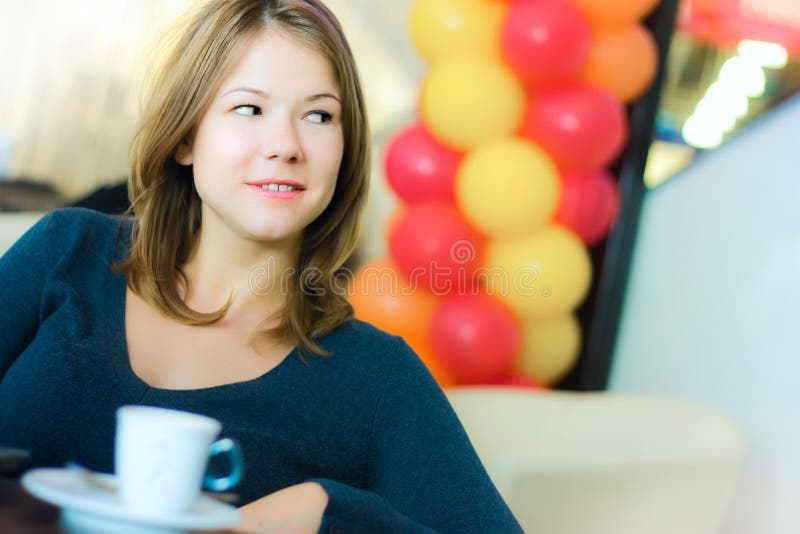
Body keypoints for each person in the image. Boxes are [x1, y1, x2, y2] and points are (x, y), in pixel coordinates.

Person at [0, 0, 522, 532]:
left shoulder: (377, 377)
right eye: (249, 108)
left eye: (318, 115)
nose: (285, 146)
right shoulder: (66, 253)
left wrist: (330, 512)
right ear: (186, 135)